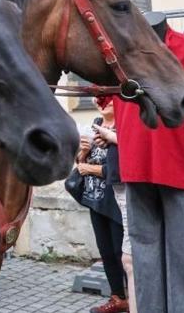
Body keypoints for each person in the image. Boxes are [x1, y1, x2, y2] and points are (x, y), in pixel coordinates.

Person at [113, 15, 184, 312]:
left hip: (178, 167)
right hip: (136, 165)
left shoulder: (182, 48)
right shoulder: (119, 55)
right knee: (144, 258)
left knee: (181, 258)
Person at [73, 98, 128, 313]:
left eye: (106, 99)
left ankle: (133, 295)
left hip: (115, 199)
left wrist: (91, 169)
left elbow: (121, 168)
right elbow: (80, 164)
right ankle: (118, 298)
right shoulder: (95, 123)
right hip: (94, 198)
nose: (100, 102)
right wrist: (83, 153)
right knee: (105, 250)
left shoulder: (120, 129)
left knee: (119, 251)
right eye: (97, 99)